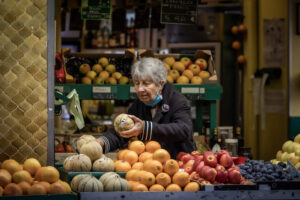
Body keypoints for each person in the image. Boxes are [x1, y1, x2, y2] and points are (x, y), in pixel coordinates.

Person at [97, 57, 197, 159]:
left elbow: (184, 130)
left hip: (179, 164)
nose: (140, 89)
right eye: (137, 83)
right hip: (151, 165)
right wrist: (102, 142)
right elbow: (123, 129)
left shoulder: (177, 100)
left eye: (146, 83)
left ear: (160, 84)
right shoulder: (139, 104)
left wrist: (146, 128)